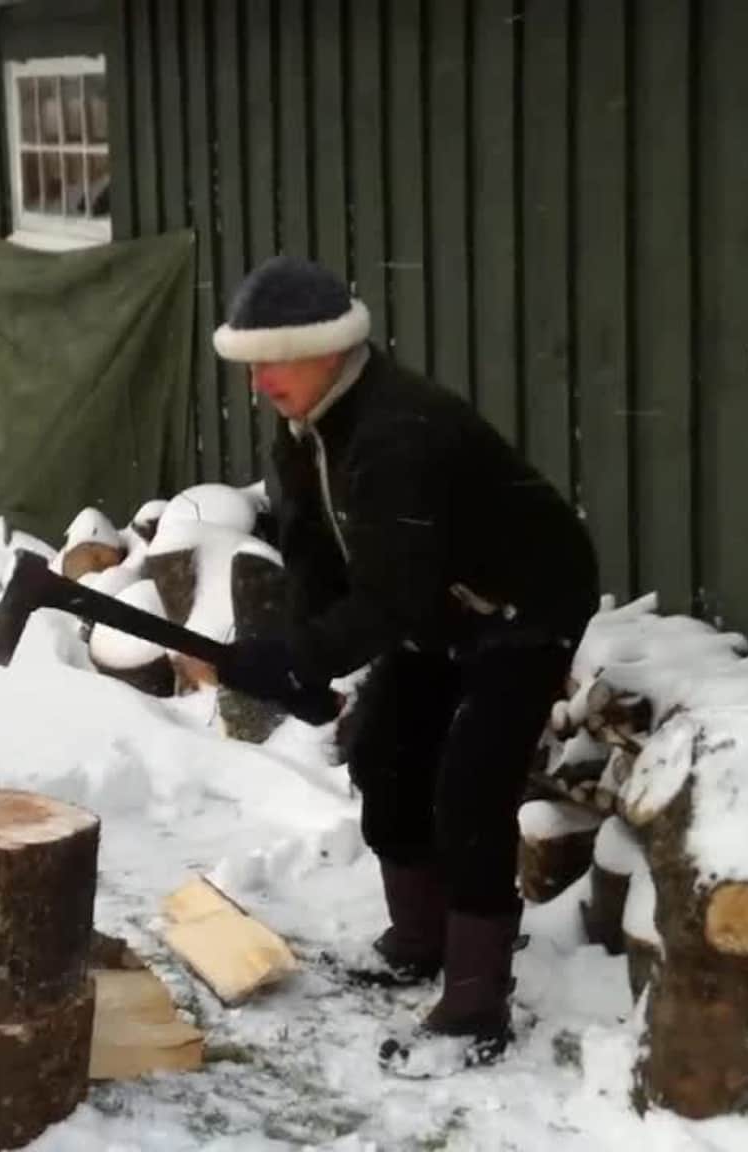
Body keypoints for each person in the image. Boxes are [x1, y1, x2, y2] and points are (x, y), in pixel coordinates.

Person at [209, 255, 600, 1074]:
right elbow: (318, 552)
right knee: (386, 754)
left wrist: (296, 658)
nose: (262, 382)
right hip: (439, 605)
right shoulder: (310, 427)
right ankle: (418, 940)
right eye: (253, 365)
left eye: (275, 359)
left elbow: (393, 596)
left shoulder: (396, 431)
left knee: (469, 788)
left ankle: (474, 1005)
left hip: (522, 608)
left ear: (327, 348)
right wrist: (301, 653)